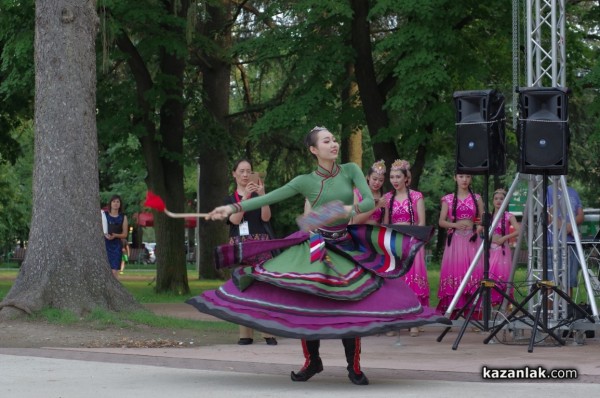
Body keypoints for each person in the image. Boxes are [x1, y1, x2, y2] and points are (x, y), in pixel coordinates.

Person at [188, 126, 447, 386]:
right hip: (315, 246)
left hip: (345, 244)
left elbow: (369, 203)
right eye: (326, 141)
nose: (333, 144)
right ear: (314, 149)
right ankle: (313, 361)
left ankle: (354, 367)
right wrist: (230, 207)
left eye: (334, 139)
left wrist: (341, 209)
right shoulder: (305, 180)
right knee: (308, 303)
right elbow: (272, 198)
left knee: (351, 303)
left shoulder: (351, 170)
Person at [225, 158, 277, 346]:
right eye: (241, 171)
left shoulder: (259, 195)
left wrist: (262, 196)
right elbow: (235, 221)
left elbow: (266, 218)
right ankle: (245, 334)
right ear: (234, 174)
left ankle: (267, 333)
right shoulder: (229, 199)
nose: (245, 175)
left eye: (249, 171)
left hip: (260, 243)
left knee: (263, 287)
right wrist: (245, 198)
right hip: (239, 244)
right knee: (242, 288)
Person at [382, 160, 429, 336]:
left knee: (413, 281)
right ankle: (394, 321)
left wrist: (415, 242)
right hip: (394, 243)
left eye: (398, 176)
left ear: (406, 178)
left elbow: (422, 222)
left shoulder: (417, 196)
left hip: (412, 242)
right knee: (395, 282)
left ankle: (414, 321)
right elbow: (386, 224)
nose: (394, 180)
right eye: (392, 177)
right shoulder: (387, 198)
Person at [437, 174, 484, 318]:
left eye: (468, 176)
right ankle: (453, 312)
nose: (464, 180)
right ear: (454, 178)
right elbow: (441, 221)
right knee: (455, 272)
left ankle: (474, 314)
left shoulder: (477, 198)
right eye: (461, 176)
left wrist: (478, 229)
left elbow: (483, 219)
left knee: (474, 272)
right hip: (455, 240)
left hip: (472, 239)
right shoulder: (448, 199)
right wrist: (455, 225)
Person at [546, 183, 584, 297]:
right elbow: (548, 215)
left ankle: (567, 312)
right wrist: (565, 227)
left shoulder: (572, 191)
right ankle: (550, 313)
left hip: (571, 243)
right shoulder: (547, 190)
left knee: (569, 281)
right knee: (551, 282)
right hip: (553, 242)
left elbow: (581, 215)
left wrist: (569, 226)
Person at [488, 188, 520, 307]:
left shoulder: (508, 216)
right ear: (492, 201)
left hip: (502, 250)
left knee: (502, 276)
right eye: (496, 199)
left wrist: (505, 238)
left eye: (502, 199)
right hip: (489, 250)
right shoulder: (489, 216)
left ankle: (505, 306)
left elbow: (518, 230)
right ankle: (490, 306)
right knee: (489, 275)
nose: (499, 201)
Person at [351, 160, 387, 225]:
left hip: (376, 232)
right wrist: (376, 206)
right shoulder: (357, 194)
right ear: (368, 177)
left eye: (381, 180)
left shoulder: (383, 197)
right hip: (359, 232)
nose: (377, 183)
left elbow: (386, 223)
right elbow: (355, 220)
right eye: (374, 179)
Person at [103, 195, 129, 277]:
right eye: (113, 201)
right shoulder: (104, 215)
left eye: (118, 202)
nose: (115, 203)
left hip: (116, 247)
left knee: (114, 271)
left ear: (120, 204)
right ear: (110, 203)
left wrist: (115, 235)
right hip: (104, 245)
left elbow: (125, 234)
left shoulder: (123, 217)